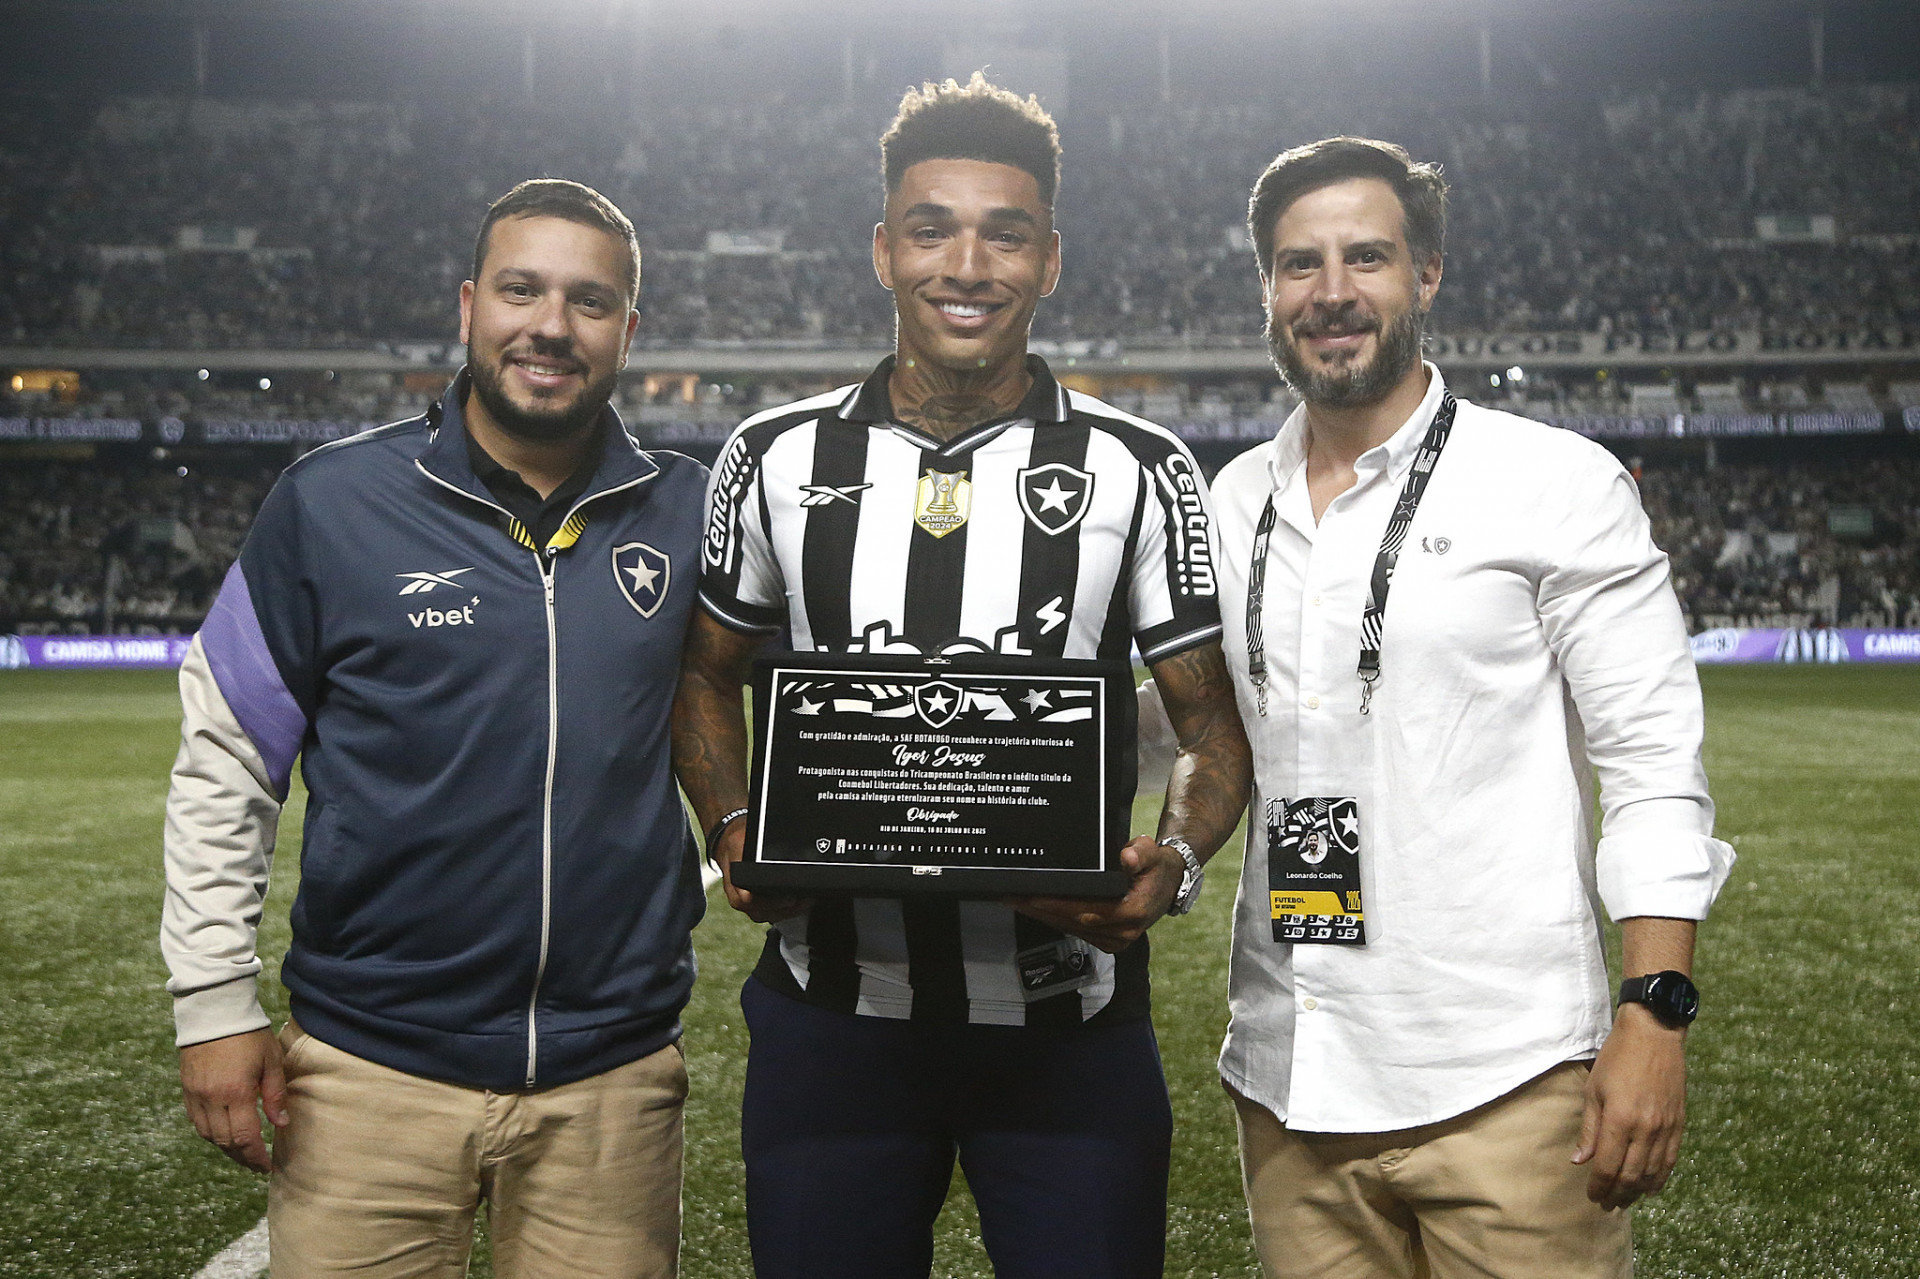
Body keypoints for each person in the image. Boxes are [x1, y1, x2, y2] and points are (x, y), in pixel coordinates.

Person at [672, 74, 1251, 1279]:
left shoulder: (1142, 466)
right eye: (933, 228)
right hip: (832, 1018)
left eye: (1007, 233)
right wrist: (733, 823)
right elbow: (704, 675)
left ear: (1050, 261)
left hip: (1069, 1023)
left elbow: (1212, 724)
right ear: (885, 249)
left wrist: (1178, 860)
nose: (967, 264)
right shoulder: (772, 457)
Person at [1186, 135, 1738, 1277]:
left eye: (1366, 257)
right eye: (1300, 264)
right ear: (1268, 289)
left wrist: (1656, 1007)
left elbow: (1651, 762)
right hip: (1293, 1086)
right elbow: (1208, 721)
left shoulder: (1553, 481)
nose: (1332, 293)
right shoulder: (1228, 499)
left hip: (1509, 1087)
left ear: (1425, 274)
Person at [161, 179, 708, 1279]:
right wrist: (215, 1001)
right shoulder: (329, 503)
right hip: (370, 1068)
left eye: (589, 300)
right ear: (468, 307)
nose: (551, 324)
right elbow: (227, 756)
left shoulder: (694, 511)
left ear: (628, 332)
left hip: (613, 1076)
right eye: (521, 290)